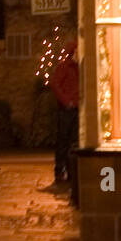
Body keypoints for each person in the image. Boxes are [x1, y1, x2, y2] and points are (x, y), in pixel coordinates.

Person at [50, 40, 79, 183]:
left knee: (72, 141)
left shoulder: (78, 67)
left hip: (75, 107)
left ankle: (69, 169)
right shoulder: (64, 67)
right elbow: (55, 84)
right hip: (67, 109)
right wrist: (67, 101)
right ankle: (60, 169)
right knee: (63, 140)